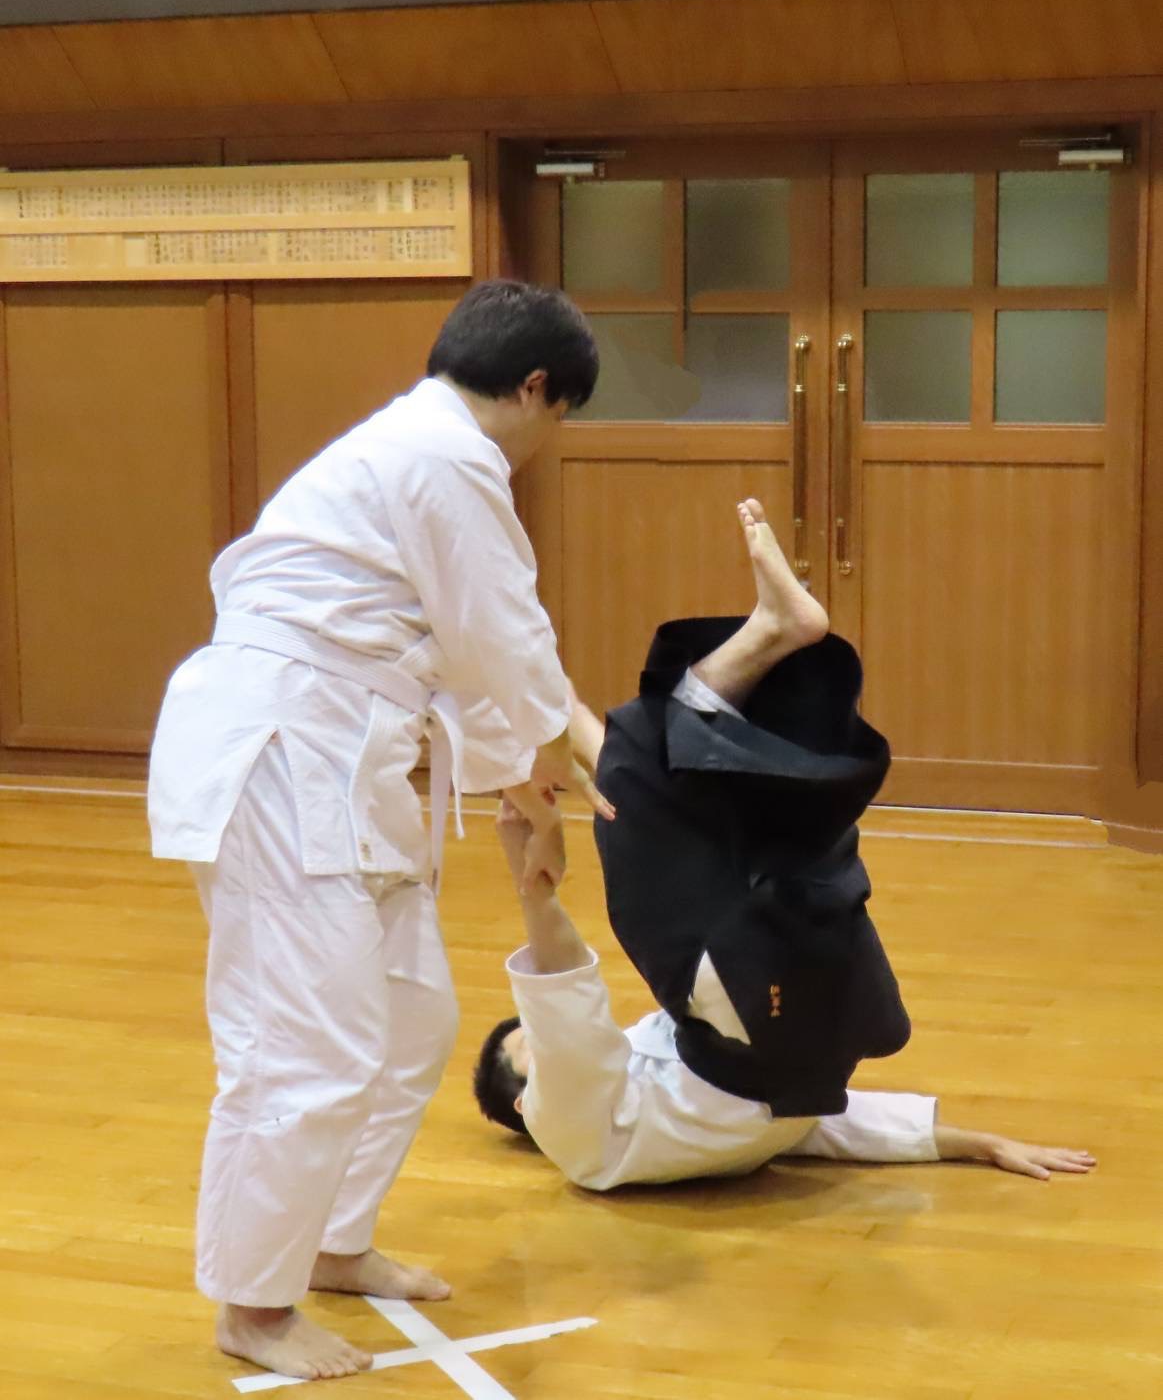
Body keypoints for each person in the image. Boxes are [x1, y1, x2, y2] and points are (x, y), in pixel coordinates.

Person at [148, 280, 611, 1382]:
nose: (546, 441)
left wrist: (531, 790)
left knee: (409, 1017)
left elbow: (465, 657)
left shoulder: (415, 453)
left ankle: (328, 1241)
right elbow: (503, 638)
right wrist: (598, 757)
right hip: (283, 751)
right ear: (535, 388)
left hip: (346, 753)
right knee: (304, 1043)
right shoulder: (441, 455)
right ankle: (253, 1305)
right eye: (558, 416)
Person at [473, 500, 1096, 1191]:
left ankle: (741, 681)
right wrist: (530, 882)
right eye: (529, 1045)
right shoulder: (575, 1137)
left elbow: (818, 1117)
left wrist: (979, 1144)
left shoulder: (676, 1104)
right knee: (639, 817)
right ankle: (753, 642)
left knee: (713, 802)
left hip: (797, 1005)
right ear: (525, 1107)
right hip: (766, 1002)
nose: (549, 1037)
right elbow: (564, 992)